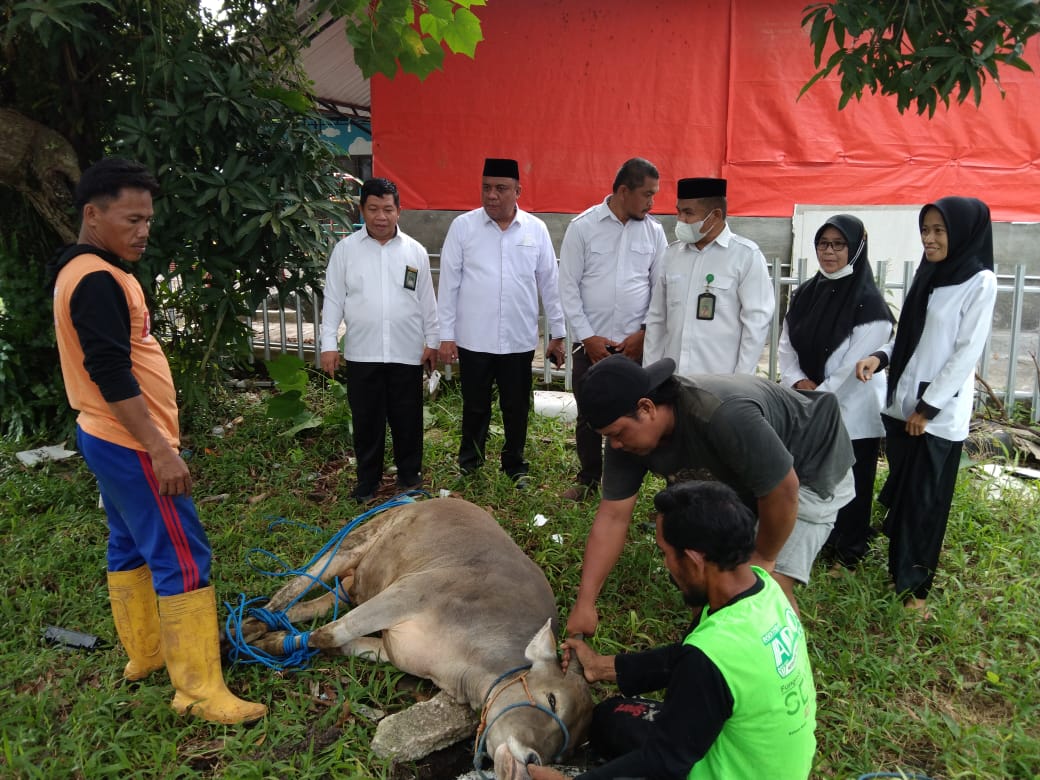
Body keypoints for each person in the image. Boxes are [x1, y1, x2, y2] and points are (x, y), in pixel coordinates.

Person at [49, 157, 266, 724]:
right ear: (93, 214)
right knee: (182, 555)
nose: (144, 230)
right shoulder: (96, 280)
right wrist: (160, 448)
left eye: (148, 218)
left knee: (128, 543)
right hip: (129, 441)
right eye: (132, 219)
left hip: (105, 435)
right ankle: (198, 691)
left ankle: (145, 655)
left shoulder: (85, 269)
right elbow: (111, 373)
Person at [528, 481, 817, 780]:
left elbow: (664, 761)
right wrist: (601, 666)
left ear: (693, 560)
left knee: (643, 752)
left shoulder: (710, 658)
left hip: (735, 772)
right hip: (775, 762)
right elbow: (683, 658)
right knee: (609, 720)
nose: (666, 564)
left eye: (666, 553)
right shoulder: (764, 589)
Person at [566, 355, 855, 634]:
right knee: (700, 569)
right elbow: (613, 518)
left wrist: (764, 558)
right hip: (743, 477)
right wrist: (585, 604)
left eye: (617, 434)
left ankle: (782, 668)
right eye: (609, 437)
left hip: (808, 465)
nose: (614, 445)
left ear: (647, 408)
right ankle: (709, 645)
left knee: (764, 586)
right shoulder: (625, 438)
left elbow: (783, 489)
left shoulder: (720, 413)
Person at [854, 197, 997, 617]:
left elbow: (965, 353)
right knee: (903, 496)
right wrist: (880, 357)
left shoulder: (979, 281)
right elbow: (909, 336)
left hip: (935, 418)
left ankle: (914, 593)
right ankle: (898, 570)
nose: (929, 238)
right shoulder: (929, 273)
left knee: (925, 505)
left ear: (963, 232)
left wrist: (928, 408)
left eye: (939, 230)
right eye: (926, 229)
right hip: (900, 408)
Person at [436, 158, 566, 485]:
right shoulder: (463, 228)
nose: (491, 195)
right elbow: (449, 284)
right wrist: (446, 335)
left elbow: (550, 284)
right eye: (486, 187)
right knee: (475, 406)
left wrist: (559, 333)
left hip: (518, 339)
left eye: (501, 188)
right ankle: (470, 464)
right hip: (474, 338)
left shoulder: (535, 230)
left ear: (518, 191)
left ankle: (515, 465)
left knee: (515, 407)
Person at [778, 215, 895, 569]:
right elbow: (787, 344)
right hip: (809, 401)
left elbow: (850, 368)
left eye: (838, 244)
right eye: (823, 243)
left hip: (851, 410)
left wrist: (816, 397)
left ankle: (849, 550)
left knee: (852, 480)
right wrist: (798, 381)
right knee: (813, 476)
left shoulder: (872, 306)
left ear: (857, 247)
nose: (828, 252)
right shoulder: (806, 293)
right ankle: (817, 540)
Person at [319, 177, 439, 502]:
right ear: (362, 210)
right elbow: (332, 299)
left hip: (406, 351)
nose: (381, 216)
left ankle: (409, 477)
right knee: (366, 420)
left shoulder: (415, 251)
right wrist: (328, 343)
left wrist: (433, 339)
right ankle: (367, 482)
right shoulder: (345, 251)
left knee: (407, 419)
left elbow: (427, 301)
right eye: (373, 209)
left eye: (388, 209)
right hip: (363, 352)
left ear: (399, 211)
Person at [557, 157, 667, 501]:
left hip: (634, 346)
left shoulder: (654, 231)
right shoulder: (583, 227)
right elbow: (568, 287)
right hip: (591, 345)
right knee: (590, 416)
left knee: (633, 417)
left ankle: (626, 486)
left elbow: (660, 288)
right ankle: (589, 478)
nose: (652, 203)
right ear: (623, 191)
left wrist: (644, 334)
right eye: (647, 194)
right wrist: (587, 337)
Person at [643, 177, 774, 376]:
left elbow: (756, 325)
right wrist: (650, 376)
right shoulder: (671, 255)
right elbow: (657, 320)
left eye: (688, 213)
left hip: (719, 384)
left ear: (715, 215)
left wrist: (740, 382)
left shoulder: (745, 256)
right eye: (679, 211)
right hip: (674, 380)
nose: (681, 220)